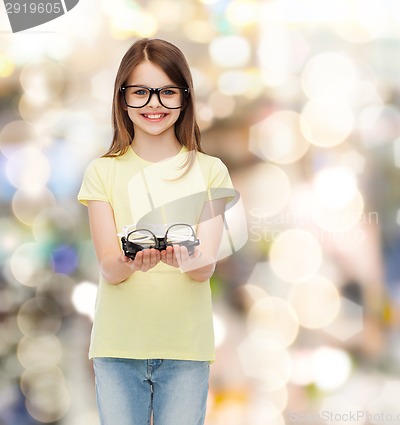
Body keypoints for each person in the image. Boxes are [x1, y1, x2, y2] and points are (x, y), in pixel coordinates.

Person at [77, 38, 234, 425]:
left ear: (185, 97)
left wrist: (183, 257)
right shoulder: (103, 171)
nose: (154, 104)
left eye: (166, 92)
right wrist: (134, 263)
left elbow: (204, 268)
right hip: (118, 348)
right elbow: (110, 269)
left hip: (186, 350)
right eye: (141, 92)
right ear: (123, 98)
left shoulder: (210, 171)